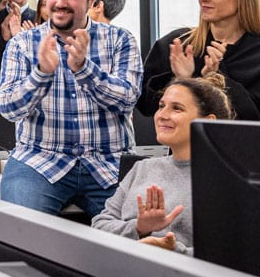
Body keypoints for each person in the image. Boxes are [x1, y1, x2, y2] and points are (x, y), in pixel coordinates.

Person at [0, 0, 142, 217]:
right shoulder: (23, 44)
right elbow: (8, 109)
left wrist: (84, 69)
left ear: (92, 1)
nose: (60, 2)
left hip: (108, 162)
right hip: (39, 160)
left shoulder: (120, 40)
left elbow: (127, 99)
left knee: (133, 237)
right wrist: (41, 74)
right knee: (21, 230)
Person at [92, 76, 233, 254]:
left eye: (177, 108)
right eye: (161, 106)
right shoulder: (142, 168)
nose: (162, 115)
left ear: (207, 121)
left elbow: (234, 254)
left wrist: (173, 250)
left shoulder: (227, 180)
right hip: (127, 271)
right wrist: (139, 228)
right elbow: (99, 225)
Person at [139, 0, 260, 121]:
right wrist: (181, 81)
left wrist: (216, 79)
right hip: (187, 146)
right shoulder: (177, 44)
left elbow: (253, 115)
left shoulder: (255, 51)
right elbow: (146, 106)